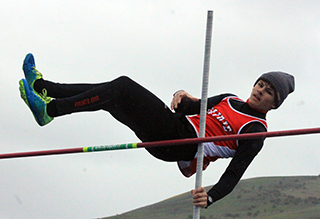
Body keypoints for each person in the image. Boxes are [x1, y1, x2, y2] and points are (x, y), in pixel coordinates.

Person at [19, 53, 294, 208]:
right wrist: (180, 95)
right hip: (174, 129)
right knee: (113, 96)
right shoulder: (229, 99)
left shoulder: (256, 130)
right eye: (261, 84)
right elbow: (189, 107)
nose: (261, 91)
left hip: (184, 144)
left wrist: (211, 197)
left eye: (269, 92)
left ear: (275, 103)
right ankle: (44, 90)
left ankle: (50, 110)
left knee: (123, 87)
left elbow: (235, 173)